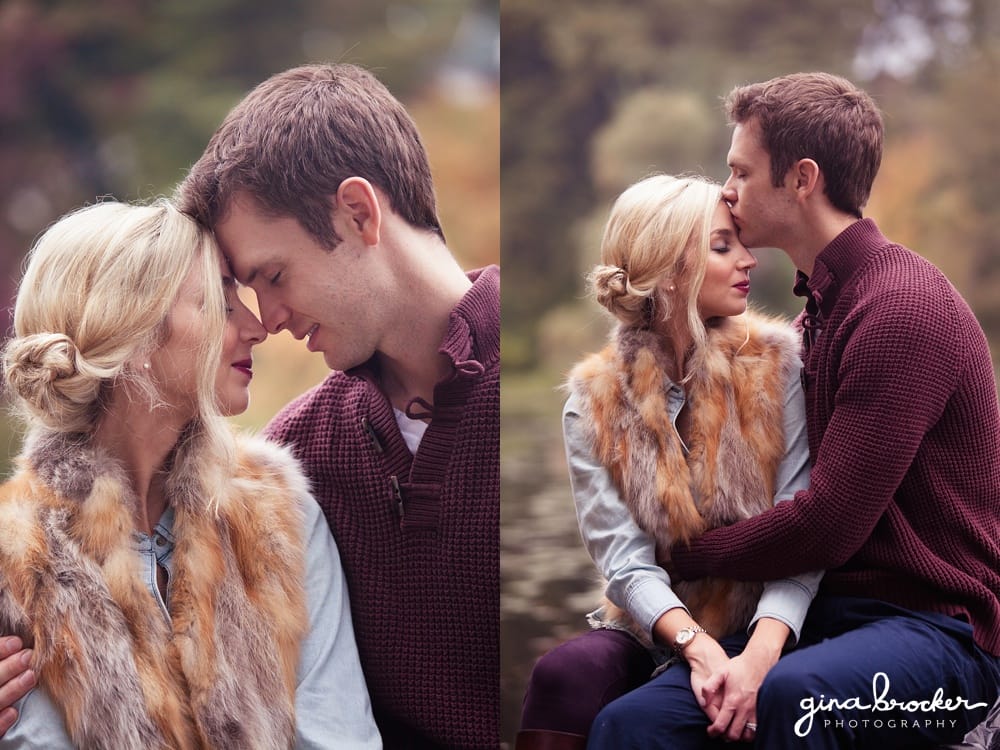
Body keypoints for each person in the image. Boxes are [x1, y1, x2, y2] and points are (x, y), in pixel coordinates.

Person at [593, 72, 1000, 749]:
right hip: (831, 620)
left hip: (943, 637)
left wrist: (687, 555)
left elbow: (828, 526)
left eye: (741, 170)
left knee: (794, 699)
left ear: (802, 178)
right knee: (629, 724)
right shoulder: (824, 311)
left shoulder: (901, 309)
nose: (727, 190)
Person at [175, 63, 499, 748]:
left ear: (358, 213)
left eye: (273, 276)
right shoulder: (297, 454)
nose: (271, 318)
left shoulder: (571, 392)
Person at [0, 199, 380, 748]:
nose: (256, 326)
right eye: (222, 303)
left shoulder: (282, 514)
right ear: (137, 338)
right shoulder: (15, 557)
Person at [517, 173, 823, 749]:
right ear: (673, 268)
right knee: (561, 675)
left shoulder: (780, 365)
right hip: (654, 625)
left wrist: (757, 651)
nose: (750, 260)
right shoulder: (592, 399)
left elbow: (805, 527)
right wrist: (695, 646)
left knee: (631, 723)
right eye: (723, 245)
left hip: (769, 622)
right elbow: (625, 562)